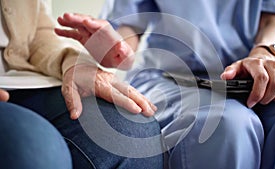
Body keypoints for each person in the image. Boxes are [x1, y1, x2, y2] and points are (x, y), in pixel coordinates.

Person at [55, 0, 275, 169]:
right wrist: (114, 49)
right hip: (171, 77)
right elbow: (129, 34)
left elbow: (271, 22)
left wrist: (264, 54)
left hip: (250, 73)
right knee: (224, 125)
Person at [0, 0, 163, 168]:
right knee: (37, 152)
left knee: (137, 135)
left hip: (25, 81)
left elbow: (36, 34)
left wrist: (74, 62)